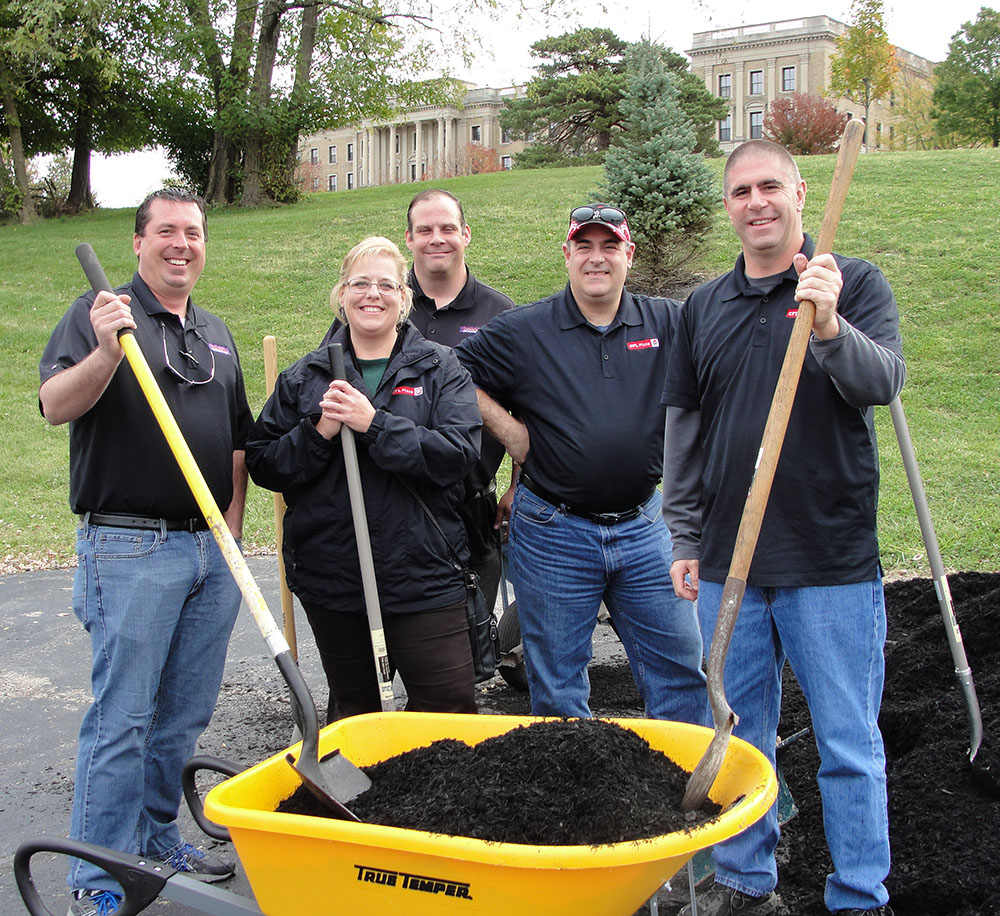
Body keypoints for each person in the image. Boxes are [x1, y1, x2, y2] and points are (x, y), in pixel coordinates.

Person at [661, 139, 904, 916]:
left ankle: (861, 896)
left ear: (801, 193)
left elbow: (881, 383)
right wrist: (685, 534)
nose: (757, 201)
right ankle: (743, 881)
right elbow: (686, 429)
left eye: (771, 186)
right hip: (732, 560)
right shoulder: (704, 306)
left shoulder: (851, 281)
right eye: (741, 191)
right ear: (727, 205)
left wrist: (829, 324)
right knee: (736, 738)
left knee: (846, 744)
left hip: (828, 558)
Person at [39, 189, 252, 916]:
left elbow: (234, 448)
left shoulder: (216, 333)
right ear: (138, 243)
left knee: (181, 717)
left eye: (193, 232)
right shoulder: (100, 315)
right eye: (166, 231)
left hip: (208, 554)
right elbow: (55, 405)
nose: (181, 244)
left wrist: (232, 532)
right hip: (130, 547)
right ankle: (96, 879)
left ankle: (156, 836)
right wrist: (104, 351)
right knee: (121, 721)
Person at [455, 204, 707, 723]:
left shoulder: (667, 321)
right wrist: (508, 430)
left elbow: (726, 362)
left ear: (628, 256)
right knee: (559, 687)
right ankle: (577, 798)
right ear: (567, 255)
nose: (597, 259)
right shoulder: (525, 330)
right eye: (584, 247)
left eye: (609, 246)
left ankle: (690, 793)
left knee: (682, 672)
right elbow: (450, 369)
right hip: (554, 531)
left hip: (645, 526)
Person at [245, 236, 482, 719]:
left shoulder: (441, 367)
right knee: (356, 714)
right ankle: (361, 797)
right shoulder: (304, 378)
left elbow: (460, 456)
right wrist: (321, 430)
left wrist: (373, 423)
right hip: (335, 579)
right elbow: (264, 464)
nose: (372, 294)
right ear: (342, 294)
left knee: (448, 711)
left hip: (424, 575)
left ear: (403, 299)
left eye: (386, 285)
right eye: (360, 283)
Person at [404, 188, 516, 615]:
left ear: (465, 234)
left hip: (472, 511)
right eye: (425, 229)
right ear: (409, 239)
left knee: (466, 658)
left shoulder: (498, 312)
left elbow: (526, 408)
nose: (437, 238)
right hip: (393, 506)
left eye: (448, 228)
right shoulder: (379, 303)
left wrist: (516, 487)